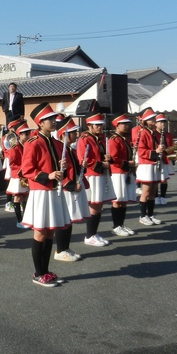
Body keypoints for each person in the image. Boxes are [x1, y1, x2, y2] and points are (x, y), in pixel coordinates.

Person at [20, 103, 71, 287]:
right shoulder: (32, 143)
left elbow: (56, 166)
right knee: (40, 233)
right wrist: (48, 175)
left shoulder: (57, 143)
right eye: (49, 119)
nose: (53, 121)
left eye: (53, 118)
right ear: (40, 123)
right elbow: (26, 170)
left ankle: (46, 270)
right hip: (41, 192)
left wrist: (61, 168)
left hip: (54, 191)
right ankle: (38, 273)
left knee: (50, 233)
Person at [77, 112, 115, 247]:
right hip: (91, 174)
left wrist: (107, 158)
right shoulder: (84, 138)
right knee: (94, 205)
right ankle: (89, 235)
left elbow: (99, 155)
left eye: (101, 125)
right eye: (97, 125)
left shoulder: (97, 138)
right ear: (89, 126)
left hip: (100, 174)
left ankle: (94, 233)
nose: (99, 127)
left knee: (99, 206)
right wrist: (101, 164)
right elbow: (83, 159)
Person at [54, 117, 88, 262]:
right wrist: (71, 185)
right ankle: (60, 250)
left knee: (69, 220)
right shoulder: (59, 150)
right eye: (74, 132)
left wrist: (83, 166)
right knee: (63, 220)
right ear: (64, 135)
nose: (76, 135)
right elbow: (58, 172)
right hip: (65, 190)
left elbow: (74, 169)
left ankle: (66, 247)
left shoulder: (69, 149)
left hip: (72, 188)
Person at [107, 114, 137, 237]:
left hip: (125, 171)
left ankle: (121, 224)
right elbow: (113, 159)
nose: (126, 126)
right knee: (117, 200)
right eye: (123, 124)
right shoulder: (114, 139)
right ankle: (116, 226)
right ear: (117, 125)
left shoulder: (125, 139)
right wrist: (127, 163)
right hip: (117, 172)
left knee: (123, 201)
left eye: (127, 123)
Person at [135, 108, 165, 226]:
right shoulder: (142, 132)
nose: (154, 121)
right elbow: (141, 150)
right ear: (146, 121)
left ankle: (150, 215)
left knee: (153, 191)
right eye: (152, 119)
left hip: (154, 164)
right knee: (146, 192)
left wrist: (161, 150)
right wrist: (155, 151)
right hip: (146, 165)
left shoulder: (154, 133)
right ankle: (143, 216)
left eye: (154, 119)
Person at [5, 120, 30, 229]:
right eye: (26, 134)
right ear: (19, 135)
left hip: (25, 175)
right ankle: (19, 220)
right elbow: (13, 164)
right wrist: (22, 170)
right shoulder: (15, 147)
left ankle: (25, 219)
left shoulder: (27, 145)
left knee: (25, 197)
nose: (28, 136)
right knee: (17, 198)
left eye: (28, 133)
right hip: (18, 176)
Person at [154, 114, 176, 206]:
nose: (162, 124)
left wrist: (171, 154)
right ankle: (155, 197)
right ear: (156, 123)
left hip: (165, 158)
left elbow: (171, 146)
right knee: (155, 178)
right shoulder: (153, 134)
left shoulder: (168, 134)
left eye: (163, 122)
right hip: (156, 157)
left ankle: (162, 196)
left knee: (164, 179)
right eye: (160, 122)